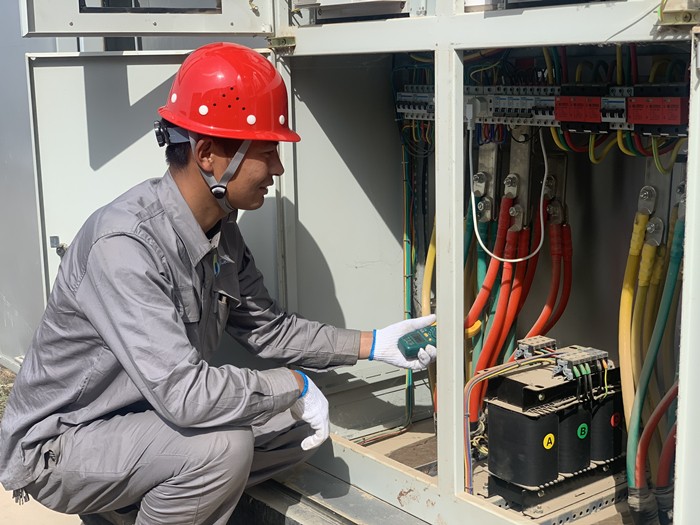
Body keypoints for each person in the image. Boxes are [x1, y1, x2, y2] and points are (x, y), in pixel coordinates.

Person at [0, 42, 437, 525]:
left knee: (294, 427)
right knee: (223, 447)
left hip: (145, 420)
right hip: (65, 442)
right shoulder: (125, 246)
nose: (278, 169)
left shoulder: (220, 231)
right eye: (267, 152)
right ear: (208, 155)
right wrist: (292, 383)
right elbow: (184, 394)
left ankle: (138, 504)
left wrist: (374, 344)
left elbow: (271, 330)